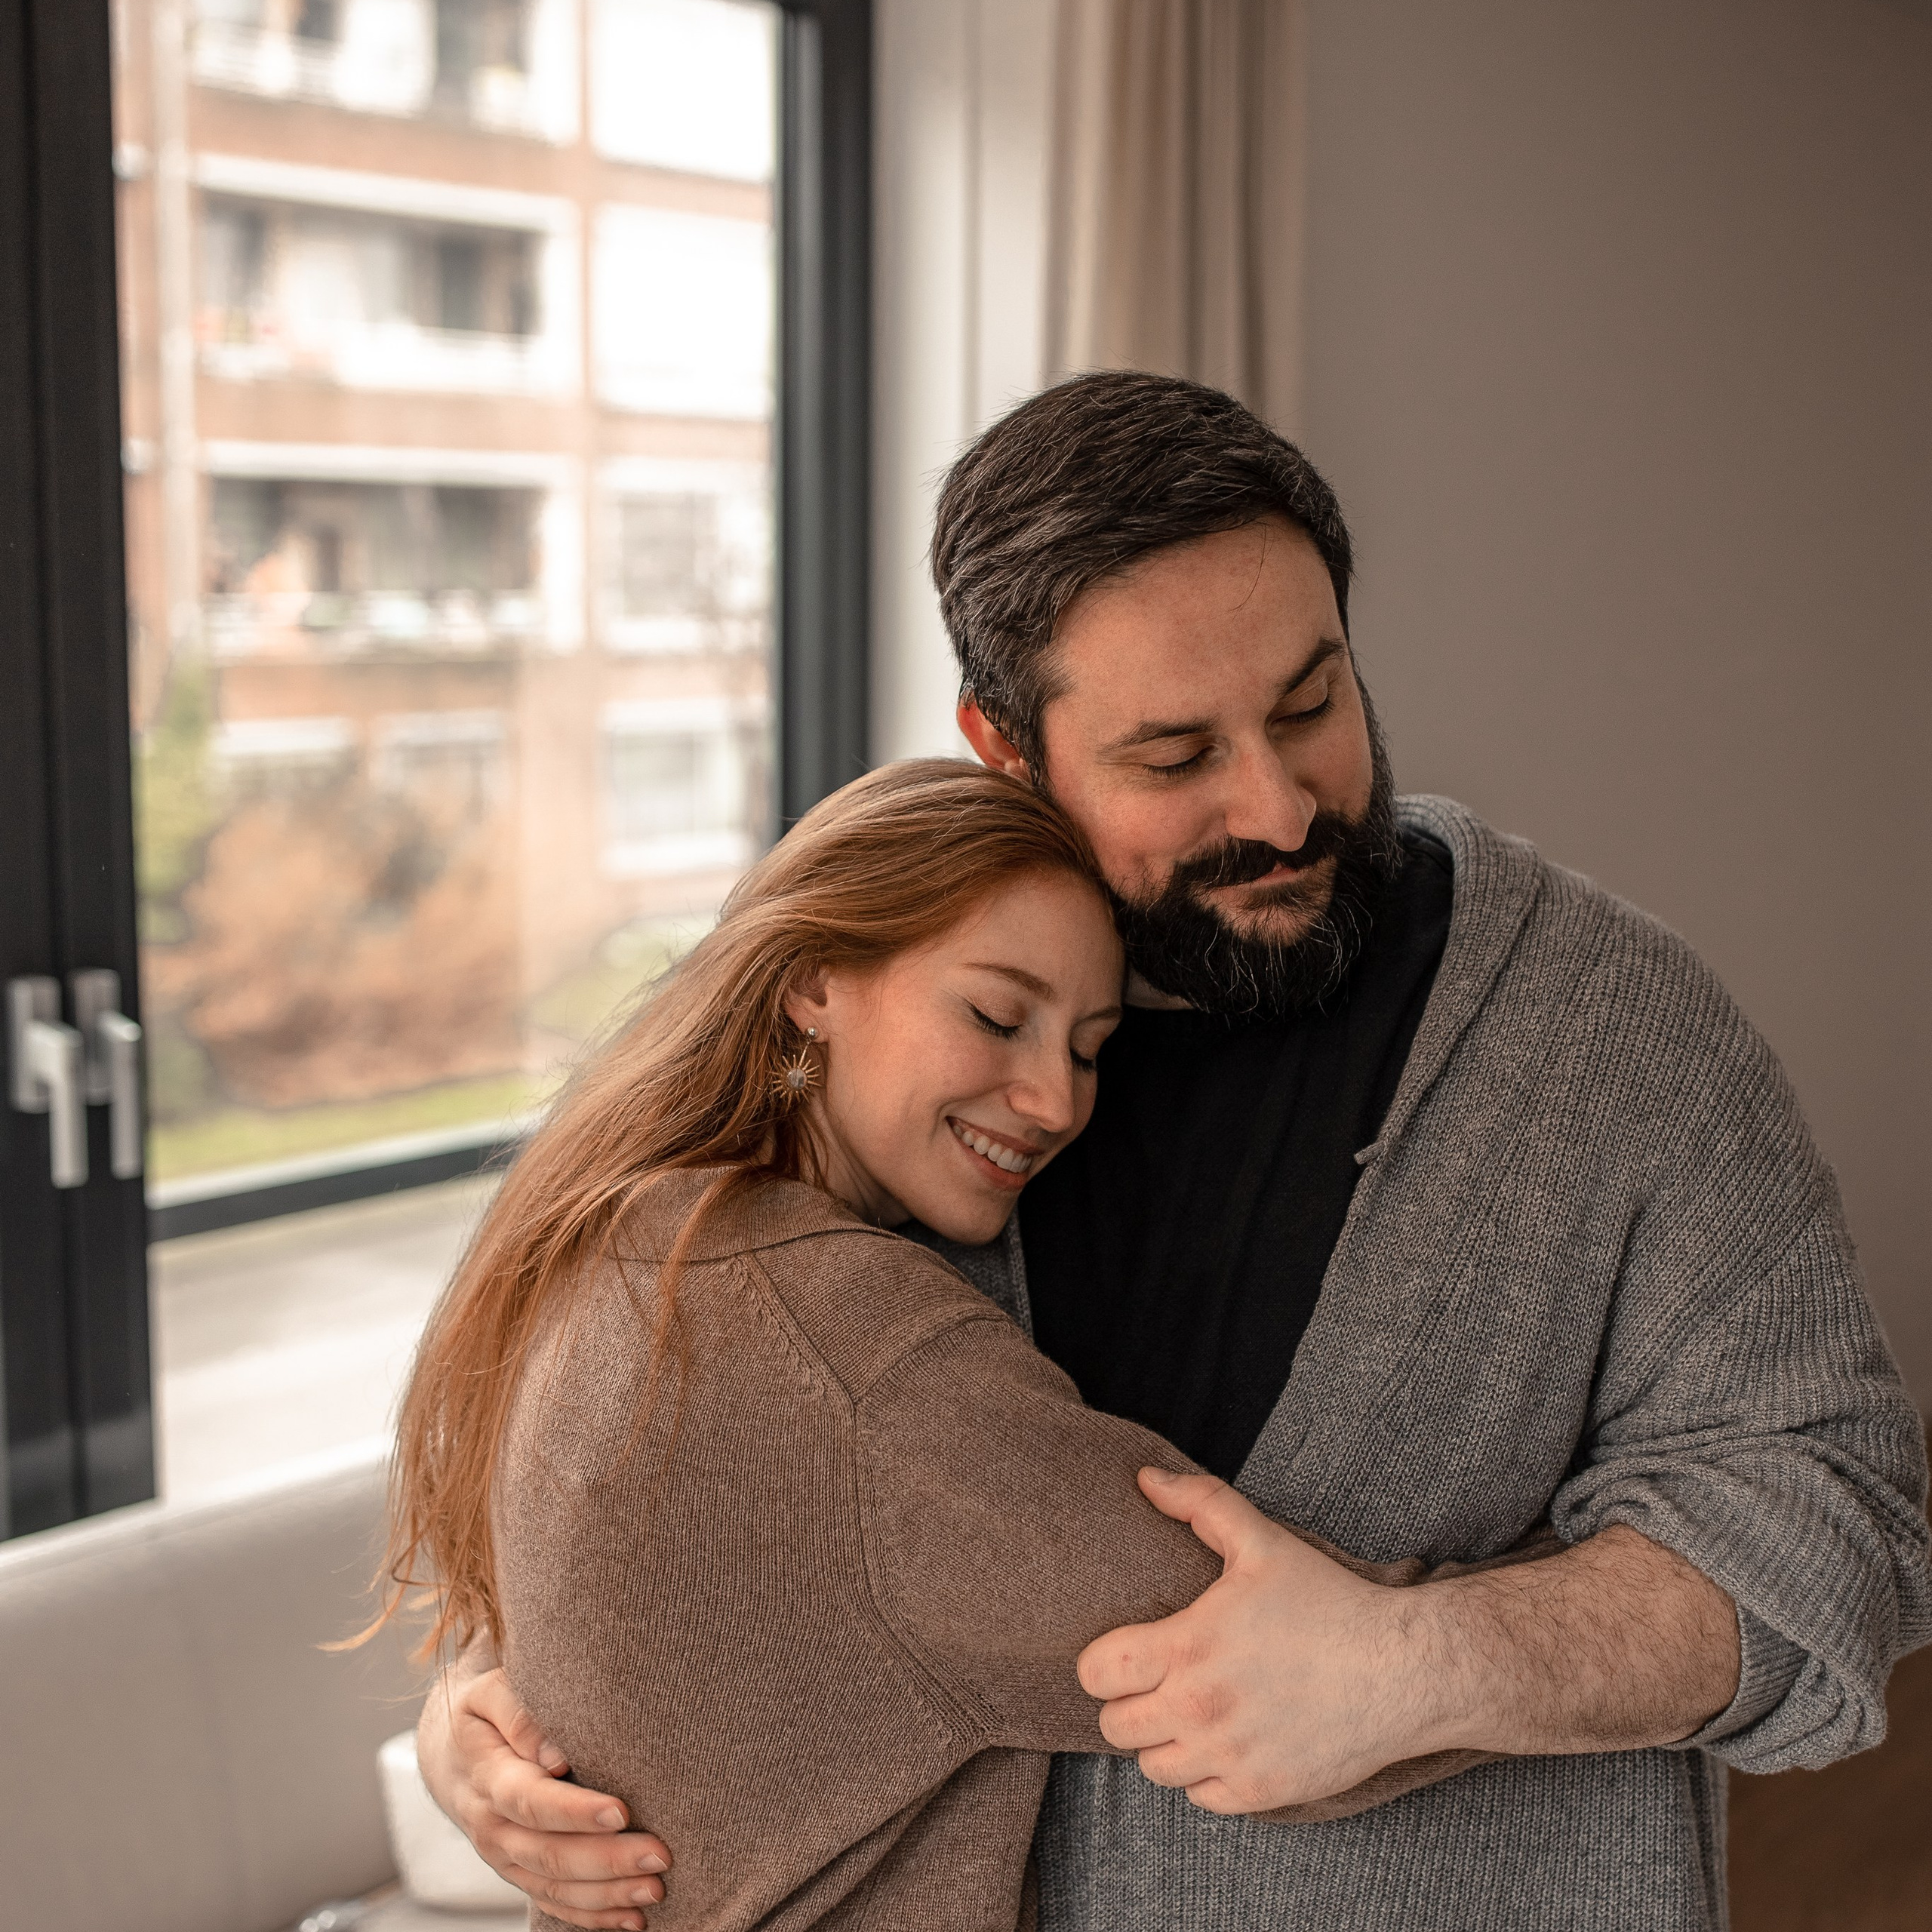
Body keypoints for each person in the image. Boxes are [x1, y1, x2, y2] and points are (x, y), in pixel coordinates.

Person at [419, 375, 1930, 1932]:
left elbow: (1836, 1523)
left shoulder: (1619, 1032)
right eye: (1172, 754)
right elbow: (723, 1436)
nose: (1276, 806)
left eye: (1307, 703)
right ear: (1005, 748)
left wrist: (1423, 1667)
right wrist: (515, 1695)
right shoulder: (913, 1027)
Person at [387, 759, 1534, 1932]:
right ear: (812, 981)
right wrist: (1641, 1589)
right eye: (996, 1015)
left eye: (1090, 1048)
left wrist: (460, 1708)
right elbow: (1289, 1671)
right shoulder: (847, 1349)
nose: (1053, 1100)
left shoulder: (624, 1244)